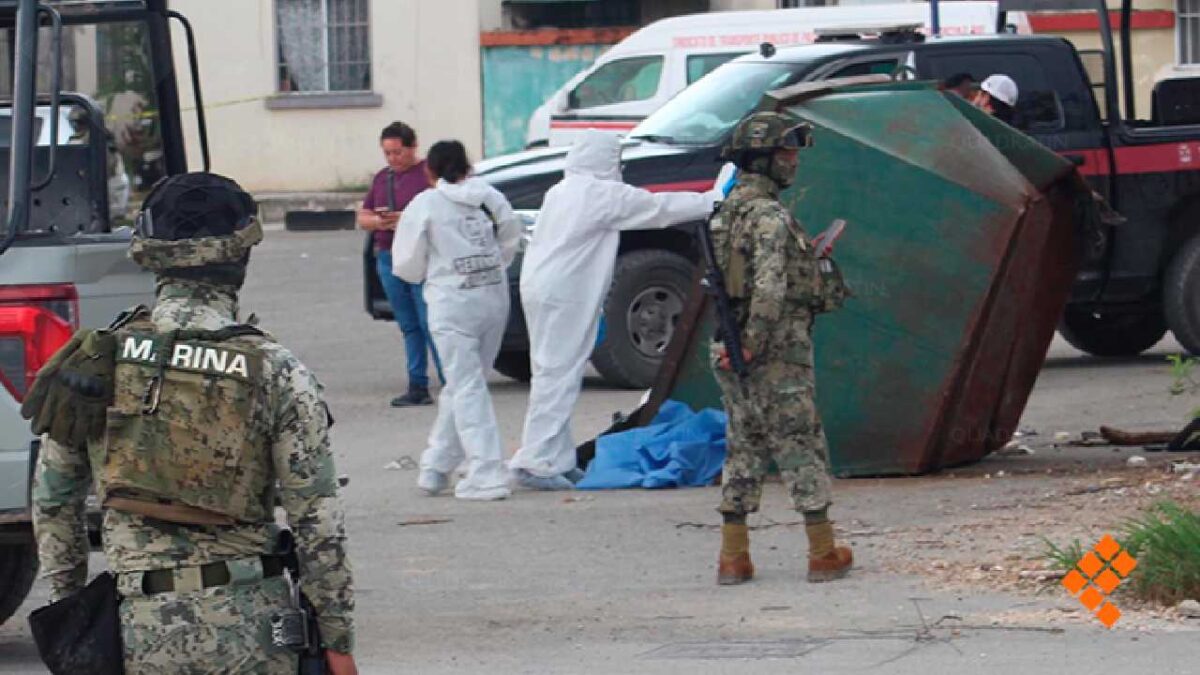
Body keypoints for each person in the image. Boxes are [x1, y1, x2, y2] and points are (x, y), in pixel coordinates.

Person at [30, 173, 357, 673]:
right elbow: (318, 521)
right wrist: (336, 637)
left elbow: (54, 503)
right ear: (240, 255)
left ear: (148, 251)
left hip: (140, 632)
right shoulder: (276, 369)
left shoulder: (94, 363)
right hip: (255, 631)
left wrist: (74, 610)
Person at [509, 130, 731, 490]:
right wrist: (712, 200)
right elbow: (658, 209)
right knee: (559, 374)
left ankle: (557, 457)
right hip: (566, 292)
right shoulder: (599, 194)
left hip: (541, 287)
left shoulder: (561, 190)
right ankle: (538, 461)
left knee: (551, 370)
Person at [709, 112, 852, 586]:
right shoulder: (769, 216)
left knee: (743, 445)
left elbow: (739, 277)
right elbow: (768, 289)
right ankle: (822, 551)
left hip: (732, 348)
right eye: (786, 153)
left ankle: (733, 557)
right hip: (773, 349)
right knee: (800, 443)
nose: (793, 162)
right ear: (762, 159)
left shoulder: (726, 211)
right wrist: (752, 345)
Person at [392, 140, 522, 501]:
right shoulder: (490, 198)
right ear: (468, 167)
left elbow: (406, 263)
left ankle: (487, 472)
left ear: (429, 171)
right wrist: (492, 267)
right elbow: (511, 238)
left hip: (452, 303)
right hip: (493, 299)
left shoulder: (426, 204)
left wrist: (432, 274)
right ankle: (436, 466)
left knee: (466, 386)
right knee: (465, 382)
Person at [358, 121, 444, 407]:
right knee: (409, 324)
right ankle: (417, 383)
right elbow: (364, 217)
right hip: (388, 255)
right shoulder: (383, 179)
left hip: (421, 257)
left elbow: (441, 212)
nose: (393, 159)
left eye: (398, 152)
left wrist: (406, 220)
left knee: (430, 320)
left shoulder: (427, 175)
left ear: (412, 148)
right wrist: (382, 221)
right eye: (388, 153)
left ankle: (450, 380)